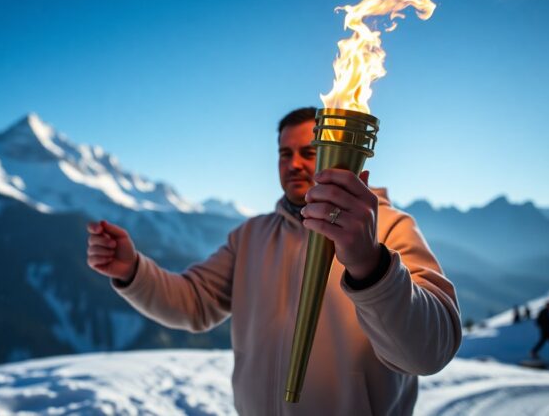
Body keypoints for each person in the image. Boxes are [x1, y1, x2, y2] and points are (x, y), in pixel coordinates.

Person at [86, 107, 462, 415]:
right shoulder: (252, 236)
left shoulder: (389, 228)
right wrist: (132, 270)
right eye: (285, 153)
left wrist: (370, 265)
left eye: (309, 151)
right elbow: (194, 302)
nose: (294, 164)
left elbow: (429, 352)